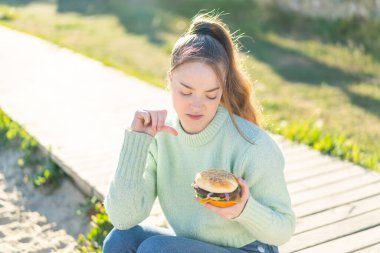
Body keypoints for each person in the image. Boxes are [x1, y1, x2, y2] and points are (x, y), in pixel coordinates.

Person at [102, 11, 296, 253]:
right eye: (186, 91)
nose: (197, 105)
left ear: (222, 90)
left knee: (155, 249)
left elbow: (284, 228)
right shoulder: (160, 136)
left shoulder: (252, 145)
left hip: (251, 249)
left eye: (211, 95)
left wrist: (243, 208)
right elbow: (123, 218)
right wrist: (136, 143)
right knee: (120, 239)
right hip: (195, 245)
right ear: (170, 79)